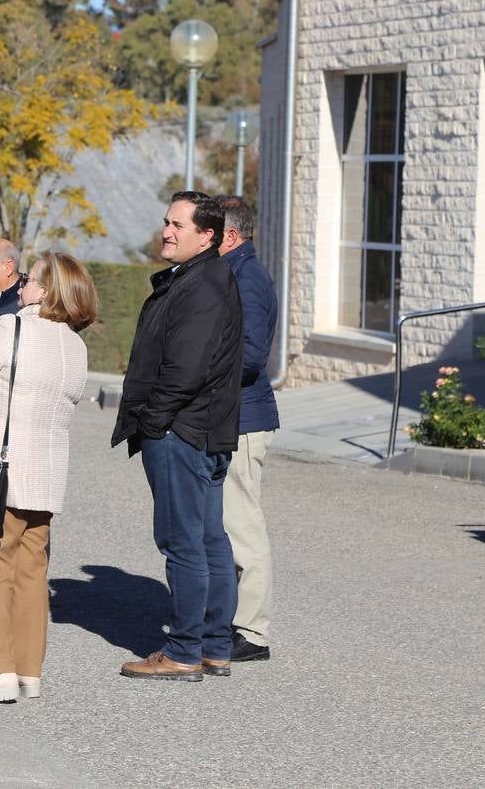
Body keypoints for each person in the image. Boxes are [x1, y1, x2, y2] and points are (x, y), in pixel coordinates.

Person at [0, 252, 97, 704]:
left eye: (29, 278)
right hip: (46, 474)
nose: (23, 284)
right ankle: (29, 670)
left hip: (1, 466)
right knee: (32, 571)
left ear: (44, 291)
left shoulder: (12, 327)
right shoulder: (75, 345)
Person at [112, 191, 243, 681]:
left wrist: (155, 421)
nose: (167, 231)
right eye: (166, 221)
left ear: (207, 235)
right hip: (197, 429)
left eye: (178, 225)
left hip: (184, 432)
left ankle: (186, 650)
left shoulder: (204, 283)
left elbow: (186, 368)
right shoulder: (199, 278)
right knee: (206, 538)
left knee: (184, 541)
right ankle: (211, 645)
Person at [216, 197, 280, 664]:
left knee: (243, 525)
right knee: (228, 523)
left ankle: (253, 632)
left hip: (245, 418)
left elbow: (252, 357)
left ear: (231, 237)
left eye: (209, 231)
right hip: (230, 417)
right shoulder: (231, 273)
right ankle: (232, 619)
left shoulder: (248, 280)